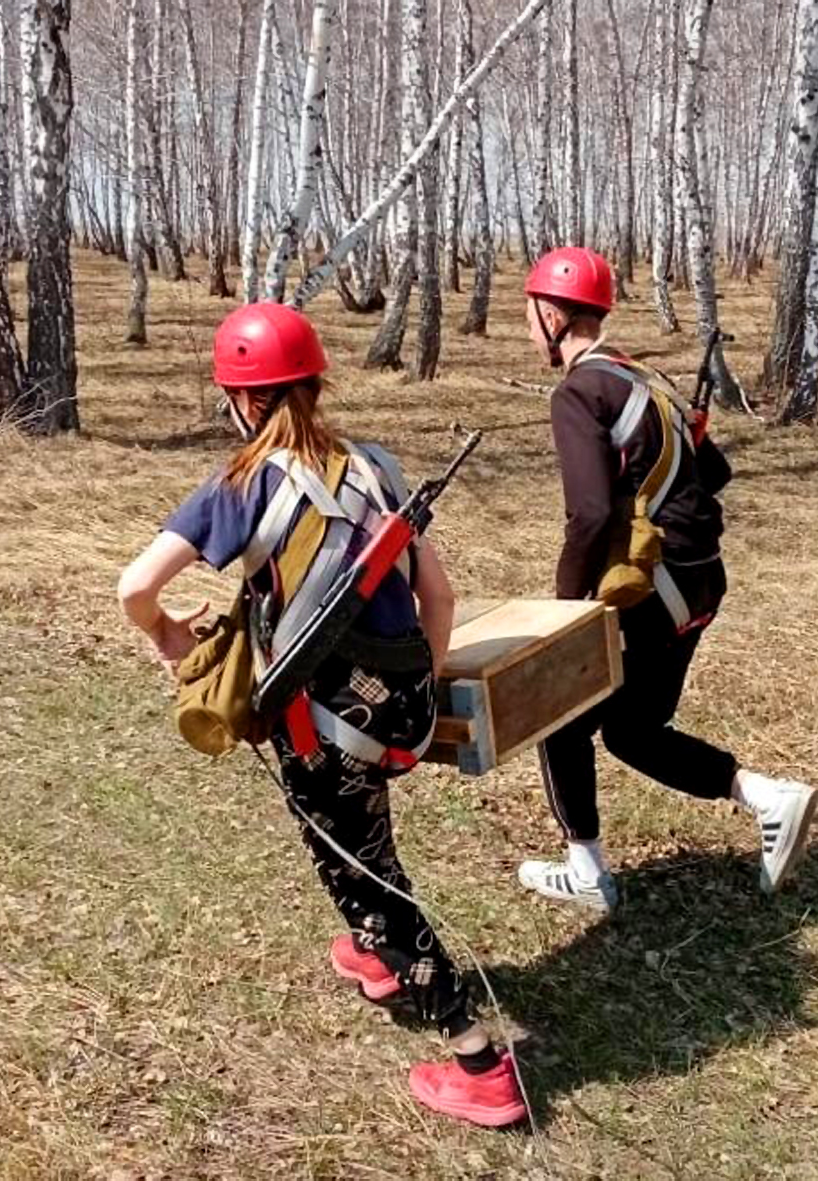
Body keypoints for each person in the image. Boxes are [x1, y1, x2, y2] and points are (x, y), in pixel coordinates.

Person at [115, 302, 527, 1128]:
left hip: (325, 723)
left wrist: (166, 635)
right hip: (402, 709)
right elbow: (436, 596)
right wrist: (419, 685)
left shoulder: (236, 489)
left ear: (242, 400)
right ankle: (380, 957)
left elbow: (133, 588)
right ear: (312, 383)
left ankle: (478, 1057)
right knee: (364, 833)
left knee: (362, 875)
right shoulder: (377, 465)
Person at [513, 246, 818, 913]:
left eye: (528, 314)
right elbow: (716, 475)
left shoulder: (577, 392)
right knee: (632, 729)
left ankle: (587, 870)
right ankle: (770, 799)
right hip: (699, 579)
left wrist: (566, 609)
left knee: (556, 711)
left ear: (551, 313)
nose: (526, 327)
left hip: (649, 585)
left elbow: (590, 514)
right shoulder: (644, 378)